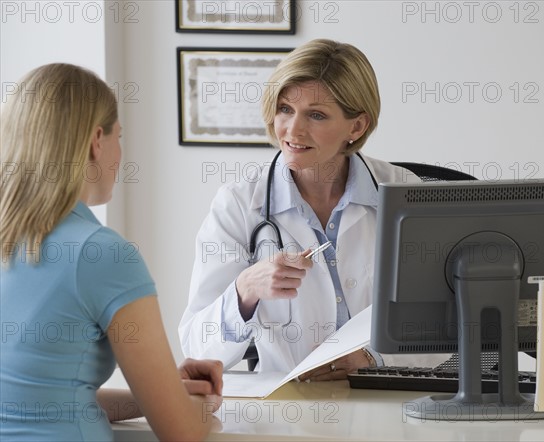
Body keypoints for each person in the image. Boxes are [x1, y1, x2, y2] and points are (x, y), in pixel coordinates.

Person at [180, 39, 449, 378]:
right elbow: (196, 347)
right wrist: (245, 289)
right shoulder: (238, 204)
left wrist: (371, 358)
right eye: (285, 110)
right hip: (289, 407)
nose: (293, 131)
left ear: (357, 126)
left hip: (387, 397)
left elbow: (445, 323)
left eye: (316, 115)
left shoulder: (404, 193)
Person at [0, 63, 222, 441]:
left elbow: (41, 396)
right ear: (96, 141)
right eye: (120, 137)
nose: (120, 155)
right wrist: (198, 407)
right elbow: (181, 433)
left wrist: (159, 392)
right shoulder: (102, 255)